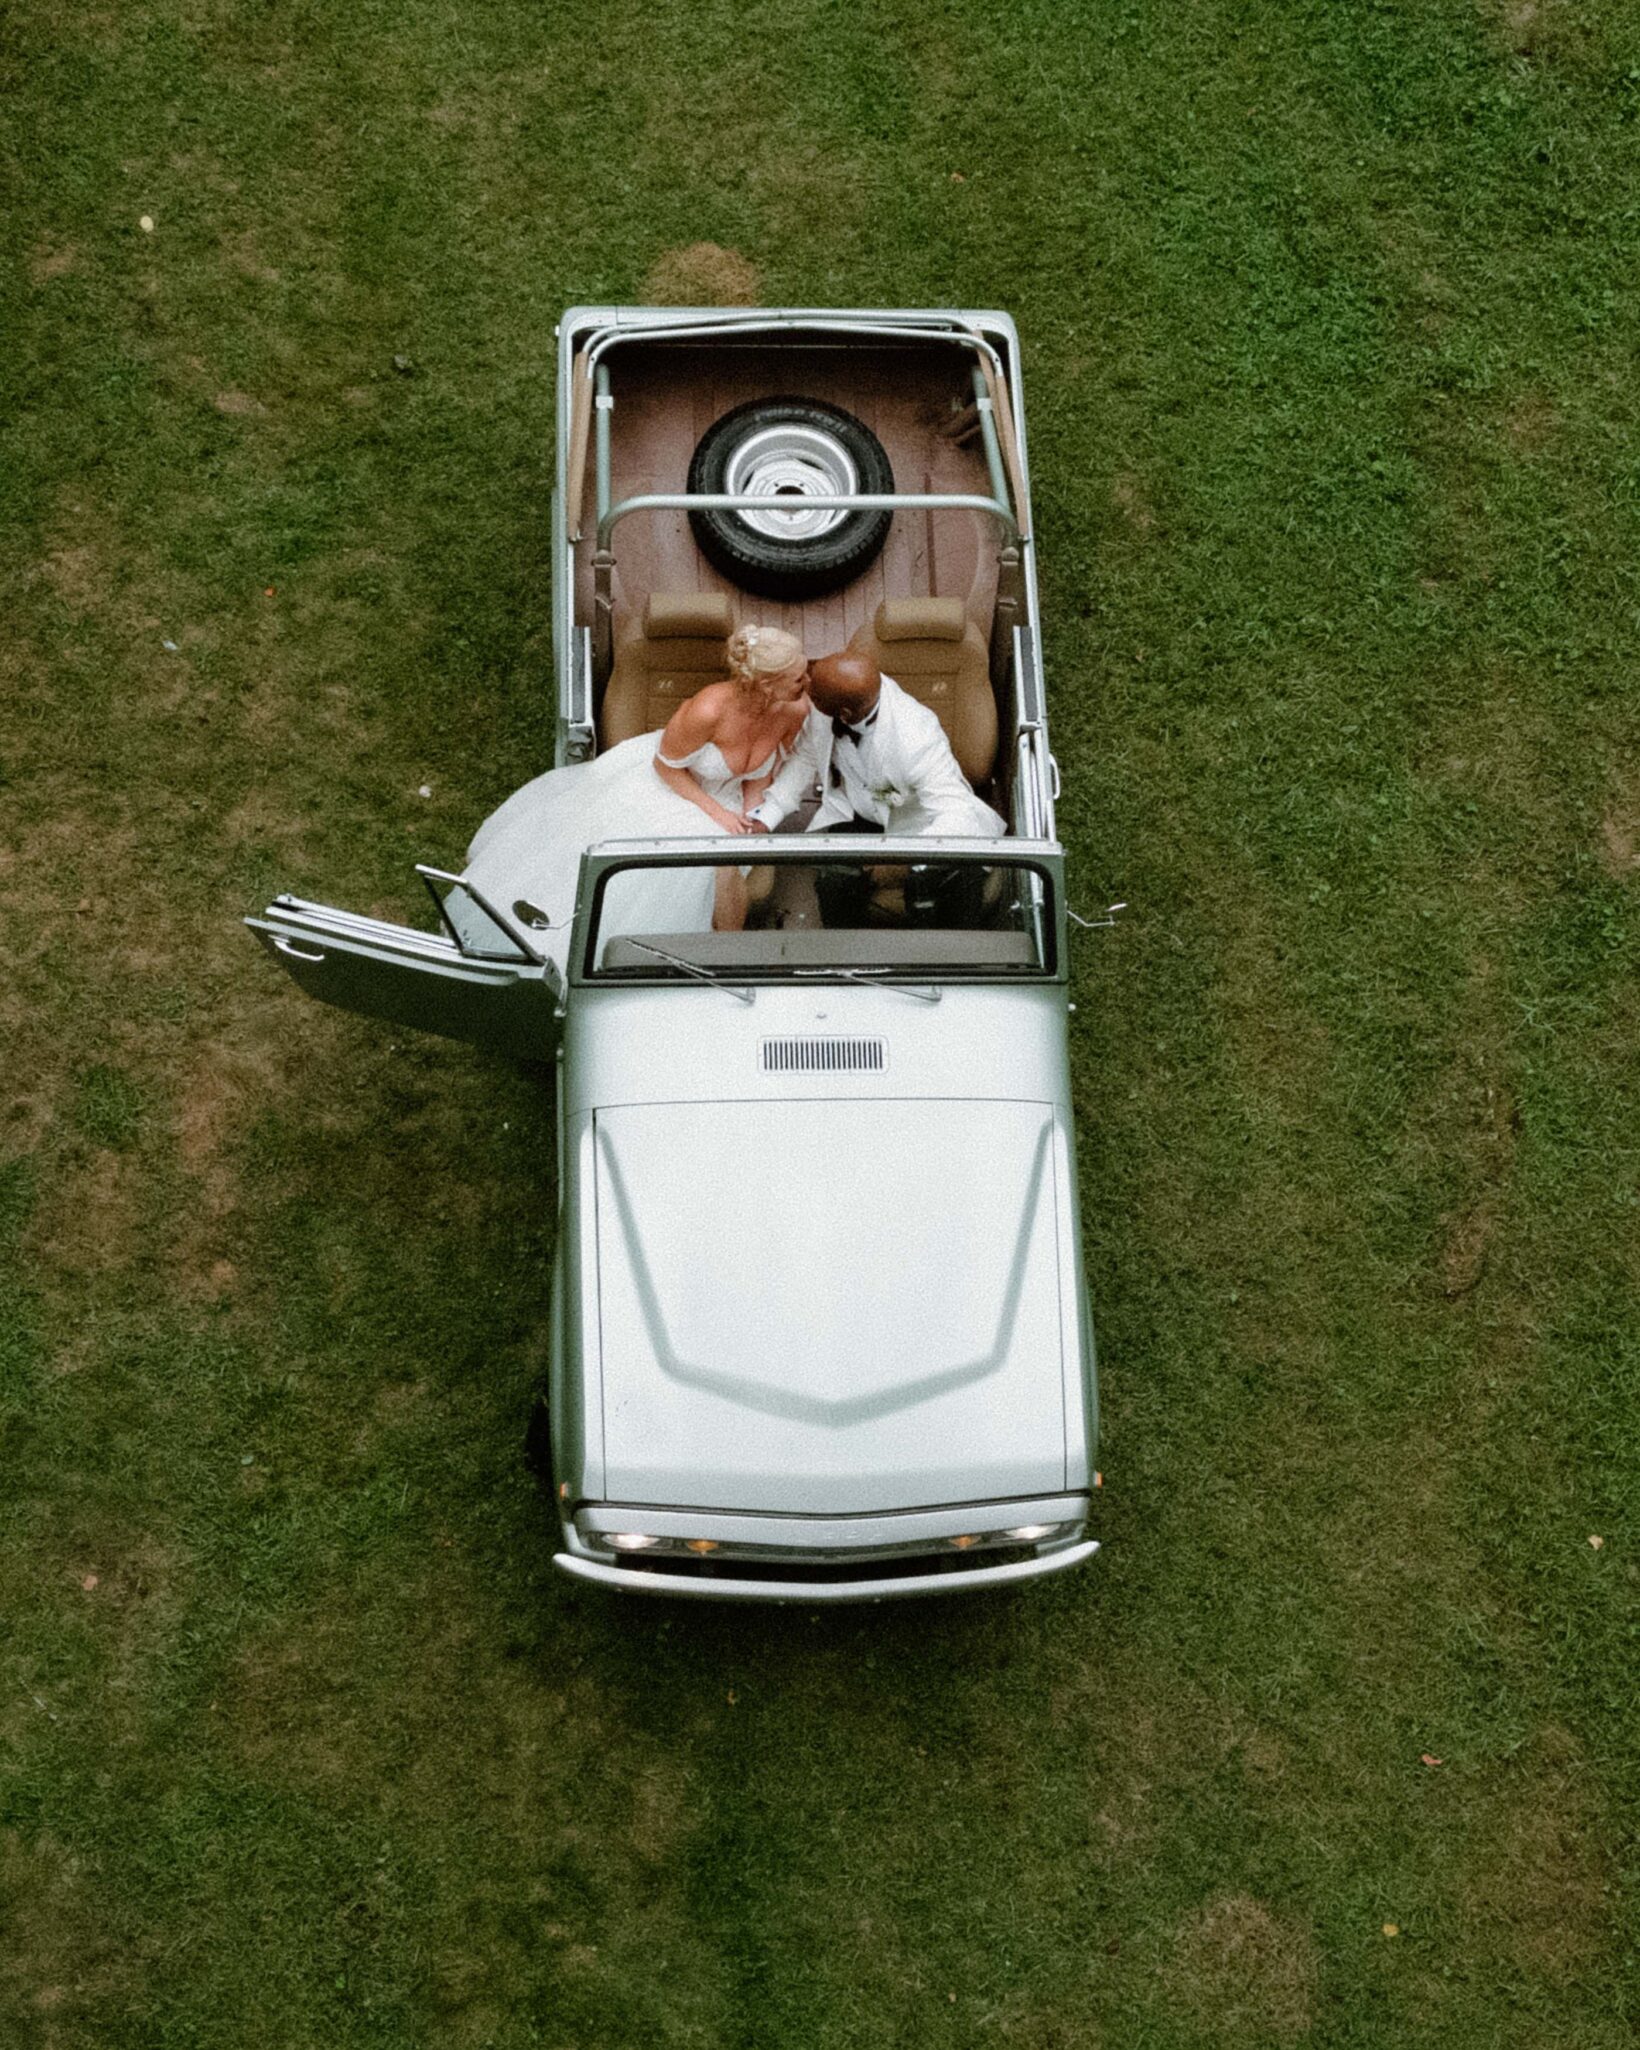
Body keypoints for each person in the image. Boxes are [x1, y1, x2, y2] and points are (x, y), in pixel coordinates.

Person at [462, 624, 809, 969]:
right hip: (674, 790)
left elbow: (760, 769)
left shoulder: (793, 709)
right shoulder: (706, 710)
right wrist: (718, 815)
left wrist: (754, 811)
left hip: (727, 800)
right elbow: (667, 768)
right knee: (709, 856)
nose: (807, 683)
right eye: (798, 678)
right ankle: (721, 949)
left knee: (728, 850)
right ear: (766, 684)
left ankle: (722, 946)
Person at [745, 649, 1004, 927]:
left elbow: (957, 814)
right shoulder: (830, 703)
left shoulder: (916, 738)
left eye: (814, 693)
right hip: (859, 812)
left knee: (944, 897)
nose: (806, 688)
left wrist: (900, 864)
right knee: (833, 885)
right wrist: (768, 814)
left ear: (844, 713)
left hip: (918, 823)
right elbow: (805, 758)